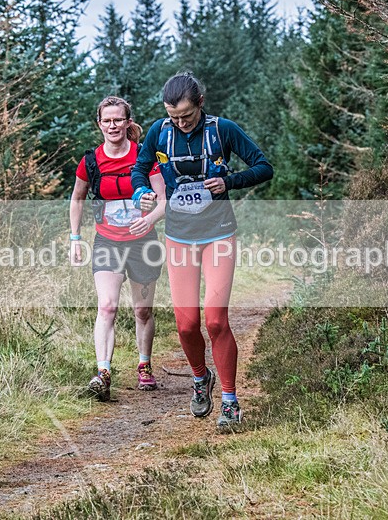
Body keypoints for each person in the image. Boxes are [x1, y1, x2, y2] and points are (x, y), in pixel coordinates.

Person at [130, 73, 273, 431]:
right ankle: (199, 377)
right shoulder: (159, 131)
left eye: (187, 116)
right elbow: (139, 169)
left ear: (200, 104)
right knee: (187, 323)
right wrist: (140, 193)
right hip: (179, 236)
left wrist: (228, 181)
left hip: (219, 233)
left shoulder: (222, 129)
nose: (180, 123)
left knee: (214, 319)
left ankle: (230, 400)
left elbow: (263, 167)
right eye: (174, 116)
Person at [69, 96, 166, 401]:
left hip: (143, 242)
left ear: (127, 122)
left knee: (142, 310)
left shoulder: (144, 156)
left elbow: (164, 200)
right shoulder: (91, 161)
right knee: (107, 306)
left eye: (118, 120)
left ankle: (144, 364)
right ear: (99, 124)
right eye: (106, 120)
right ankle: (103, 372)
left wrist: (148, 218)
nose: (112, 126)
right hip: (107, 241)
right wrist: (75, 238)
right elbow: (77, 198)